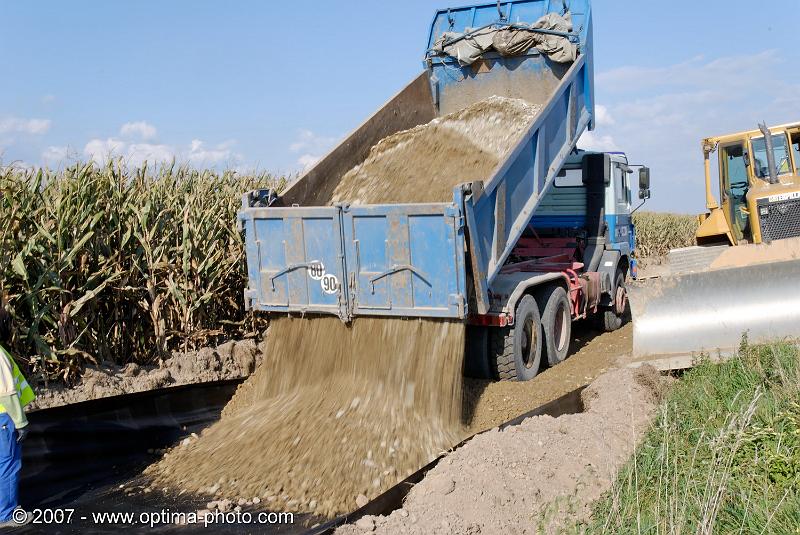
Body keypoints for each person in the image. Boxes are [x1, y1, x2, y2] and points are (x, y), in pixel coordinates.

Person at [0, 307, 34, 527]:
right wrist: (21, 423)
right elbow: (8, 392)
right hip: (4, 420)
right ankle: (7, 514)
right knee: (8, 465)